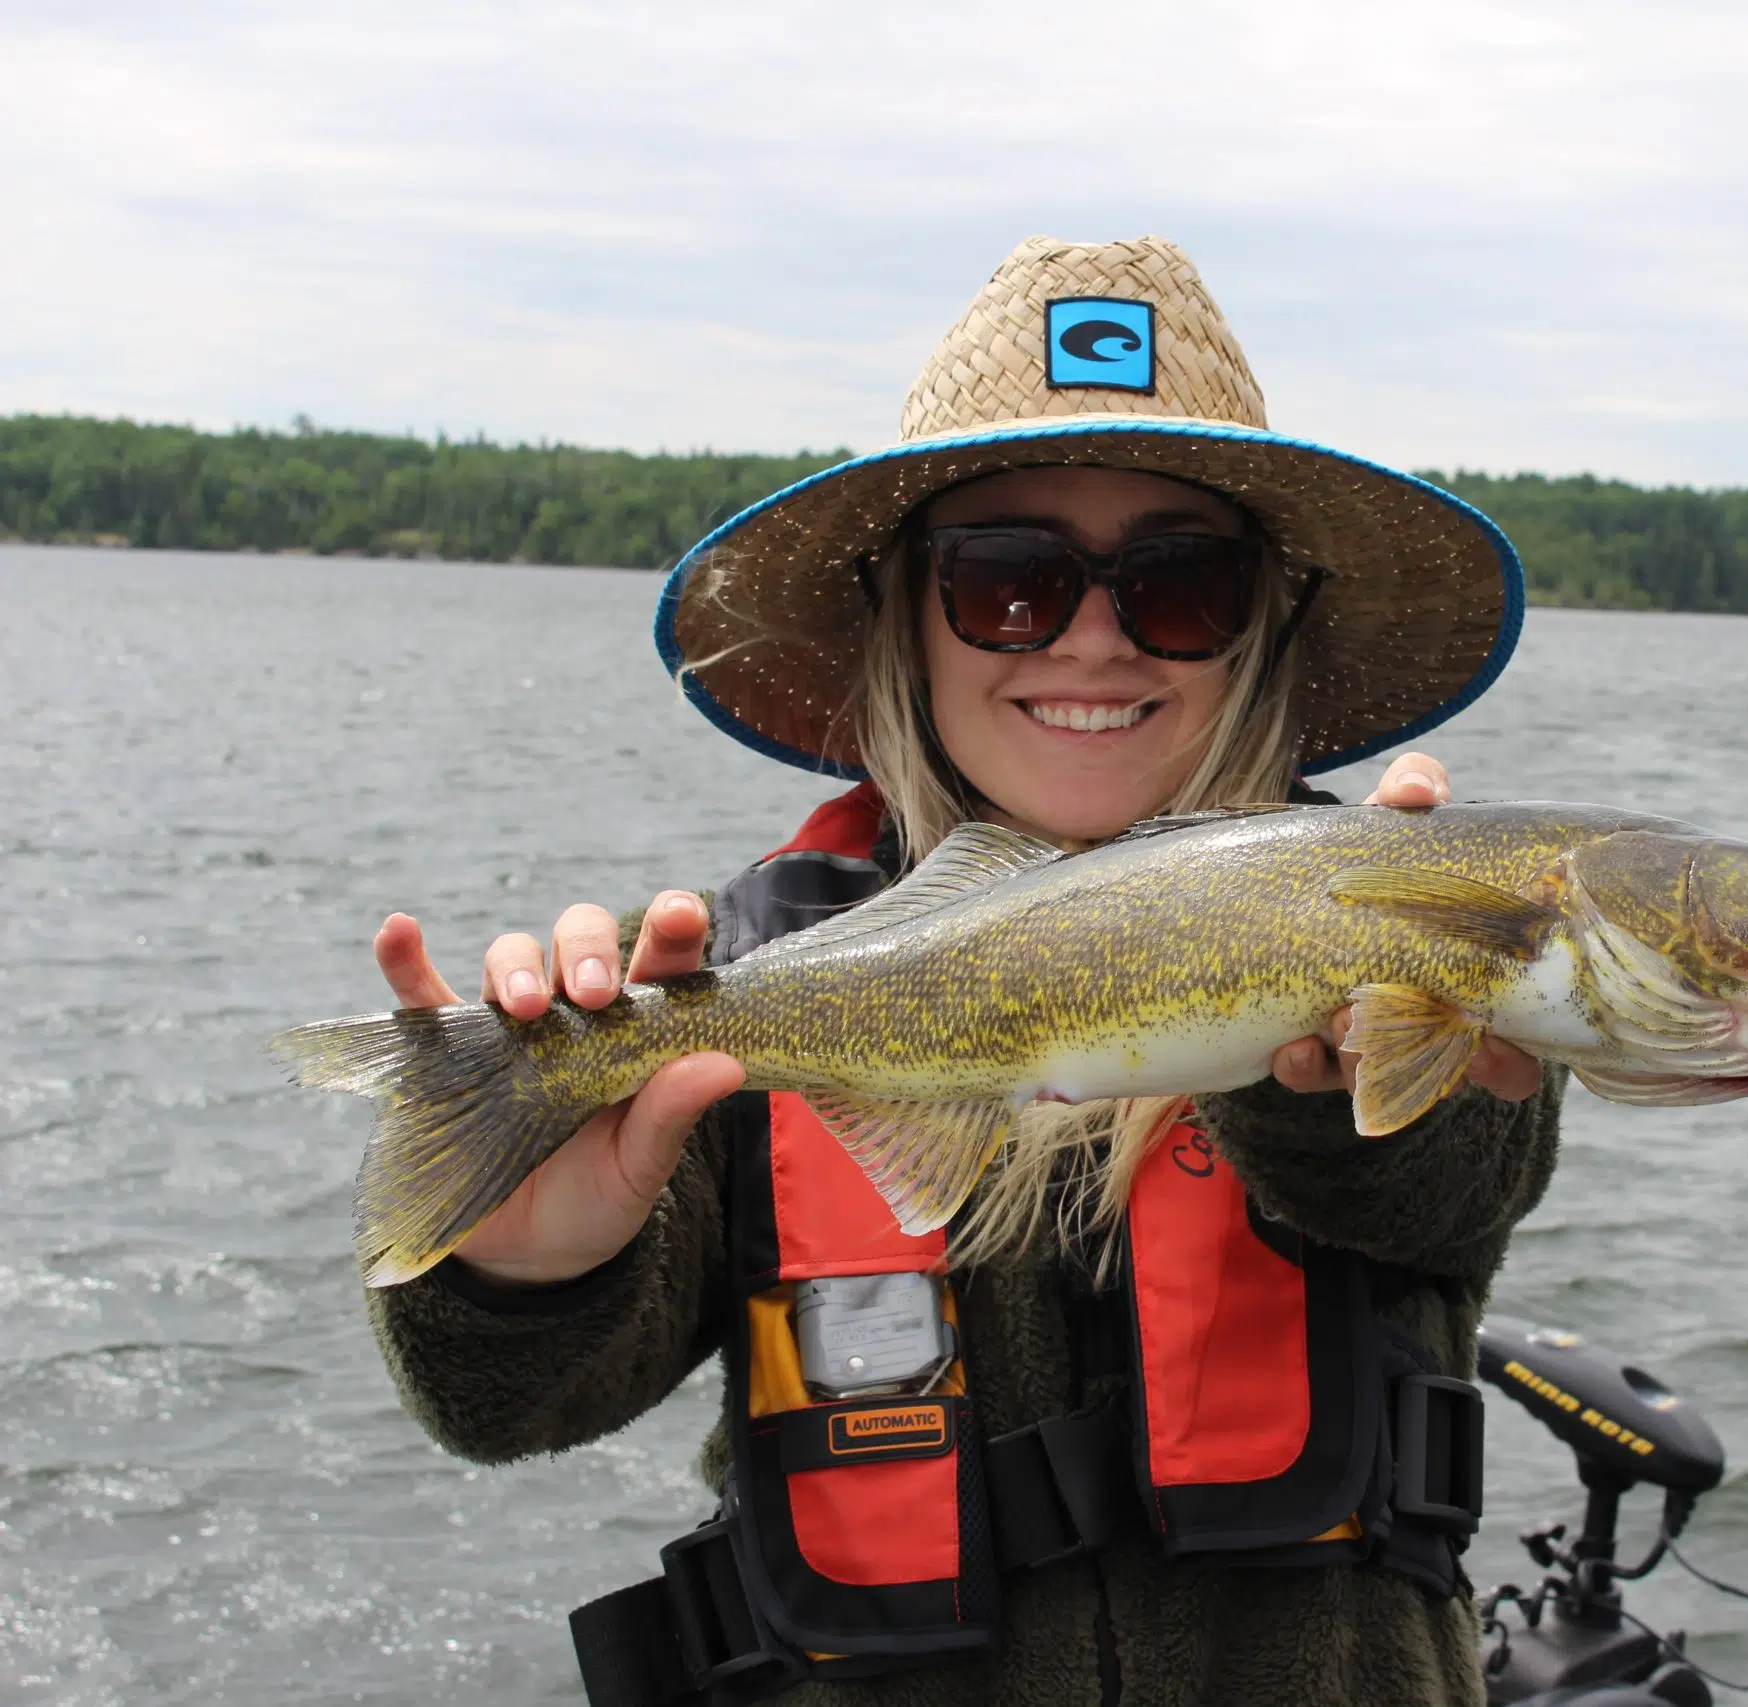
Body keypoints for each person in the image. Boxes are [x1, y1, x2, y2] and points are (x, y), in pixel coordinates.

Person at [363, 236, 1559, 1707]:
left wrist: (1361, 1051)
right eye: (1009, 580)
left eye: (1181, 584)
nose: (1098, 640)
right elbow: (502, 1405)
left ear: (1264, 630)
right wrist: (521, 1257)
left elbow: (1448, 1176)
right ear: (904, 618)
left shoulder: (1405, 917)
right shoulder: (741, 979)